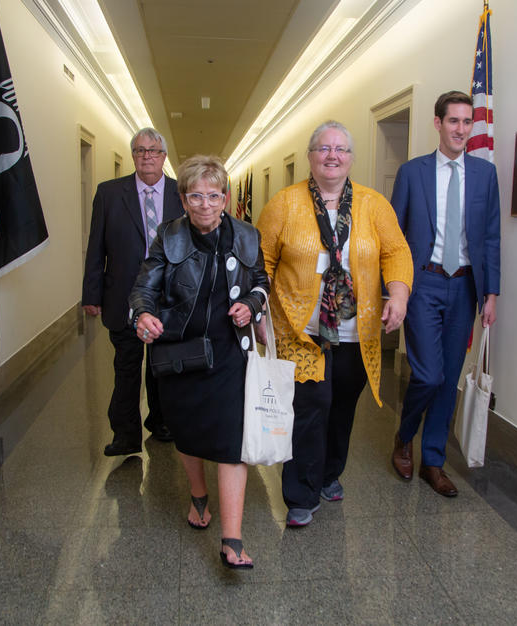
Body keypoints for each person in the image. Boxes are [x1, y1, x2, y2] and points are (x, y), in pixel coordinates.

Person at [257, 121, 413, 527]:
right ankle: (300, 493)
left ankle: (329, 474)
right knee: (311, 407)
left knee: (342, 406)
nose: (332, 156)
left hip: (355, 333)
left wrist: (398, 295)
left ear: (351, 158)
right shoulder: (285, 203)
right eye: (323, 148)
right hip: (300, 331)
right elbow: (263, 262)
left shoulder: (373, 205)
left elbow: (396, 252)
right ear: (310, 157)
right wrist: (259, 313)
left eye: (341, 149)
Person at [129, 154, 269, 569]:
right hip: (180, 352)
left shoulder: (246, 234)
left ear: (226, 198)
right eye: (195, 196)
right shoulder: (167, 235)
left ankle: (233, 539)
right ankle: (198, 495)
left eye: (213, 195)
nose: (205, 204)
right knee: (187, 435)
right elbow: (144, 287)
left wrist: (250, 303)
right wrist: (142, 315)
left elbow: (261, 282)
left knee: (231, 443)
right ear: (183, 198)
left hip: (229, 353)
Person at [390, 91, 500, 497]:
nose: (460, 129)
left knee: (449, 376)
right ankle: (404, 437)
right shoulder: (412, 172)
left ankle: (432, 462)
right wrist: (394, 290)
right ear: (438, 123)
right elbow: (395, 237)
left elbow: (490, 237)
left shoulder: (485, 175)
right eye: (453, 121)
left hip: (466, 286)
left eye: (467, 122)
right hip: (424, 283)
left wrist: (491, 293)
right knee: (428, 373)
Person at [82, 127, 184, 456]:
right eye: (140, 151)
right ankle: (125, 434)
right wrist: (91, 294)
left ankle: (161, 421)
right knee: (126, 367)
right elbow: (96, 246)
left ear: (164, 157)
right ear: (133, 156)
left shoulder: (180, 193)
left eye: (154, 151)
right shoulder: (110, 193)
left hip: (168, 297)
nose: (147, 157)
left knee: (162, 365)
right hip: (122, 295)